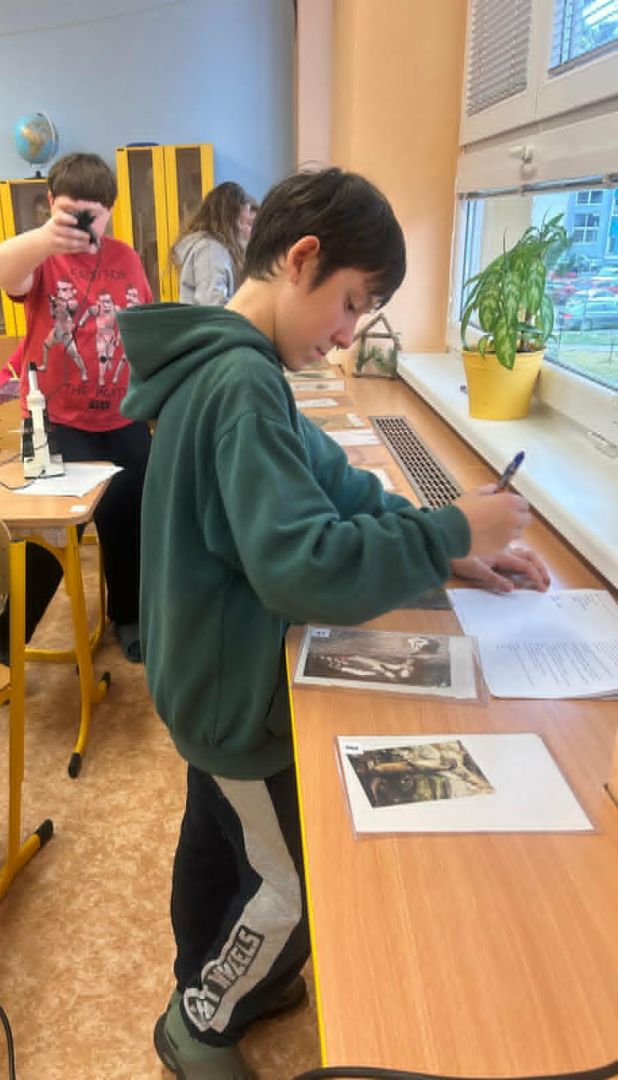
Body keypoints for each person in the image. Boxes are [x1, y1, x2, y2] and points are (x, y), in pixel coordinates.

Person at [117, 167, 550, 1079]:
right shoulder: (240, 379)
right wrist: (448, 532)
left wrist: (443, 546)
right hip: (232, 693)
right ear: (301, 258)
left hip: (206, 671)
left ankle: (215, 971)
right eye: (351, 303)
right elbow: (302, 566)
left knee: (220, 840)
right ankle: (201, 1019)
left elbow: (334, 482)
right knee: (299, 884)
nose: (350, 334)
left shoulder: (232, 361)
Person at [0, 152, 153, 663]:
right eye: (69, 212)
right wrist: (46, 237)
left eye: (92, 215)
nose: (82, 226)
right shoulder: (40, 258)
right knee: (50, 535)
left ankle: (129, 615)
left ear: (111, 211)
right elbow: (3, 270)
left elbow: (144, 326)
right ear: (50, 204)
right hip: (58, 423)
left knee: (129, 523)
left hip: (122, 417)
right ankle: (7, 635)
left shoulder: (126, 258)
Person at [172, 181, 254, 306]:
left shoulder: (213, 248)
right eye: (242, 222)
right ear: (229, 219)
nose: (244, 229)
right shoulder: (210, 250)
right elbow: (213, 305)